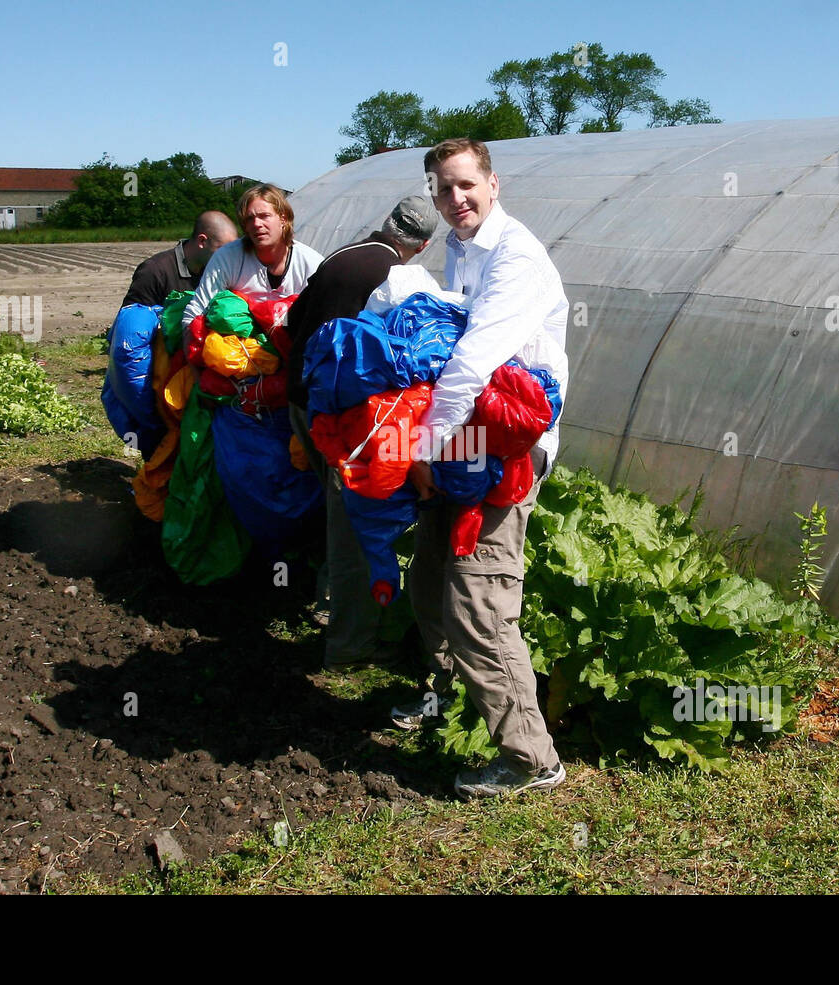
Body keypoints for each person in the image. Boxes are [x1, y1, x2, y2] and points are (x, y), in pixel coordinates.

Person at [398, 138, 570, 800]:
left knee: (480, 602)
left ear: (494, 184)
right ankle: (442, 694)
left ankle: (532, 758)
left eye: (466, 184)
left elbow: (471, 360)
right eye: (442, 189)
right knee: (431, 574)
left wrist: (421, 450)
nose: (454, 199)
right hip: (464, 437)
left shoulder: (515, 256)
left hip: (504, 452)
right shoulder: (461, 248)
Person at [286, 195, 440, 669]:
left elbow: (294, 320)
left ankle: (328, 603)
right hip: (348, 423)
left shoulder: (340, 256)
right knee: (353, 527)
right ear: (425, 243)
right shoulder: (397, 279)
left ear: (386, 221)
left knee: (335, 514)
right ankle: (350, 647)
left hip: (305, 405)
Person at [182, 186, 321, 329]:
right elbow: (196, 313)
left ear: (283, 219)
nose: (256, 224)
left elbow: (325, 317)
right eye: (249, 218)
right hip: (237, 345)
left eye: (264, 216)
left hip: (293, 344)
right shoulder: (227, 257)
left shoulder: (311, 263)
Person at [121, 210, 239, 308]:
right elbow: (131, 323)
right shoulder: (154, 271)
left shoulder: (219, 272)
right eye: (223, 250)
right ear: (202, 241)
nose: (228, 258)